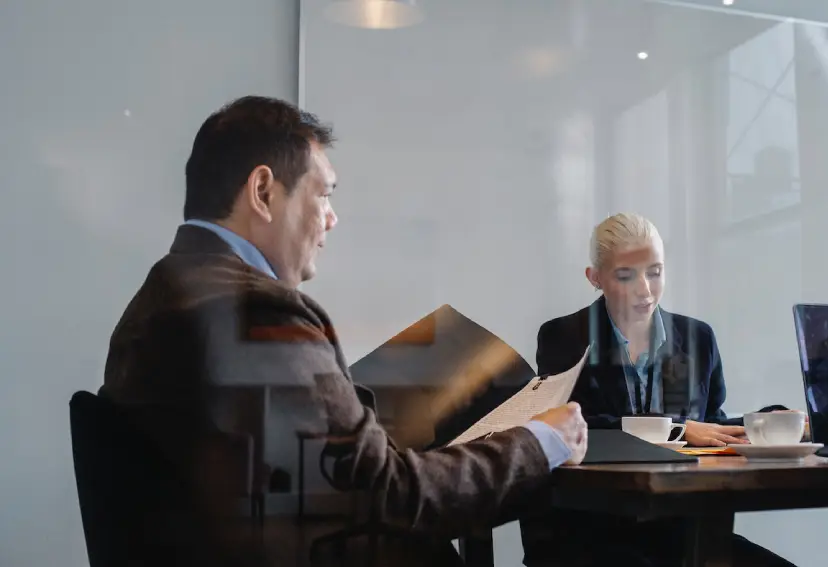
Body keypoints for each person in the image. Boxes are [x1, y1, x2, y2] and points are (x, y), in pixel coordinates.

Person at [99, 95, 588, 567]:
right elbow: (387, 496)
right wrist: (538, 440)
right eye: (324, 194)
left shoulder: (168, 291)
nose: (332, 219)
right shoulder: (257, 311)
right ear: (264, 192)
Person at [520, 213, 796, 566]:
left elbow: (710, 427)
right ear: (596, 278)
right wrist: (678, 429)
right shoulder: (564, 336)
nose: (645, 289)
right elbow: (576, 427)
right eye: (626, 275)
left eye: (655, 271)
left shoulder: (697, 338)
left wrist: (764, 423)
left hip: (676, 523)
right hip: (589, 528)